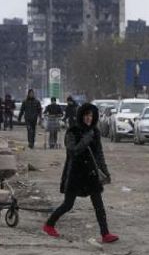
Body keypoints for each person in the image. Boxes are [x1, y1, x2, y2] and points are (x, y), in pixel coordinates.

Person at [43, 103, 118, 243]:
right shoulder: (73, 131)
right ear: (81, 116)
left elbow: (99, 154)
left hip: (91, 173)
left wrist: (105, 172)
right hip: (75, 173)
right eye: (86, 115)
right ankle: (49, 224)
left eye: (91, 115)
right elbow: (73, 151)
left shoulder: (95, 132)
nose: (89, 118)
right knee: (68, 204)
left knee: (98, 204)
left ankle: (105, 233)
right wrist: (86, 139)